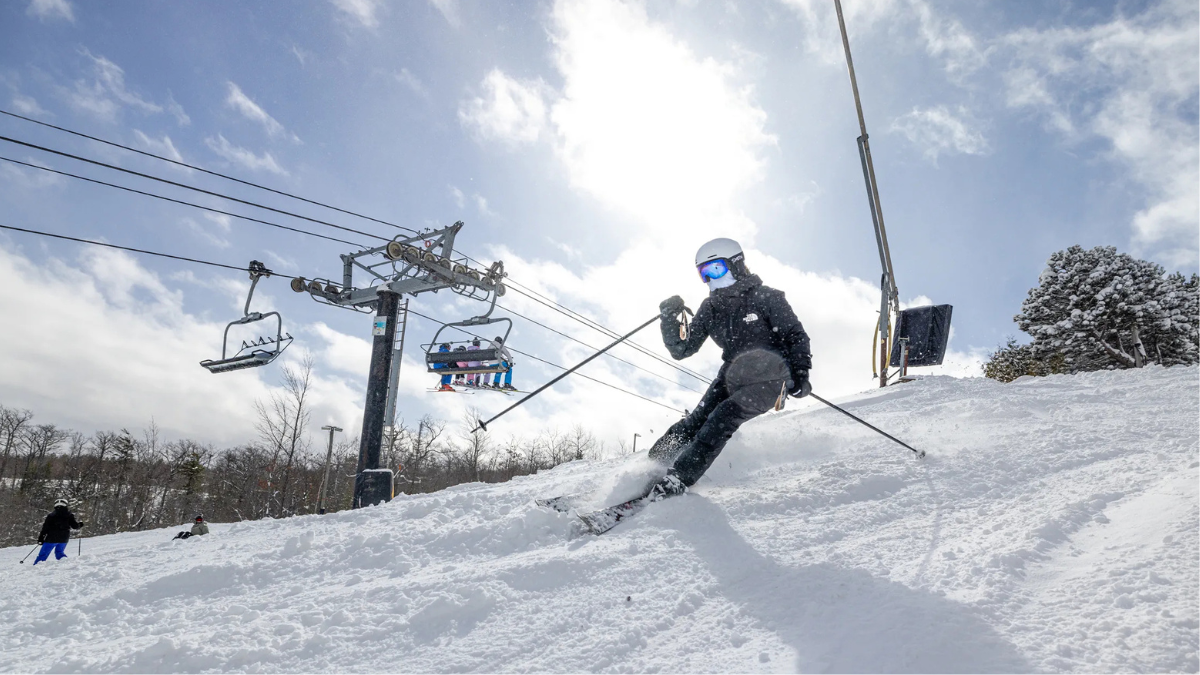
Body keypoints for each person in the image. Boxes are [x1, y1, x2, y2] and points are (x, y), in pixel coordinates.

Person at [646, 237, 811, 499]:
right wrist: (669, 318)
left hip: (770, 378)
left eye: (716, 269)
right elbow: (682, 349)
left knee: (722, 417)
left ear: (737, 264)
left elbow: (796, 336)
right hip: (731, 375)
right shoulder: (711, 307)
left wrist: (801, 373)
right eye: (704, 274)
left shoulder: (767, 297)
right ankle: (650, 468)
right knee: (693, 422)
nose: (711, 279)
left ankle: (679, 478)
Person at [34, 498, 82, 565]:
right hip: (64, 538)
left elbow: (45, 528)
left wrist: (41, 538)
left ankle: (36, 566)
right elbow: (75, 526)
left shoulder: (51, 516)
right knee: (59, 553)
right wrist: (80, 525)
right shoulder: (69, 515)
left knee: (43, 554)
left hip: (51, 538)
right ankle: (66, 564)